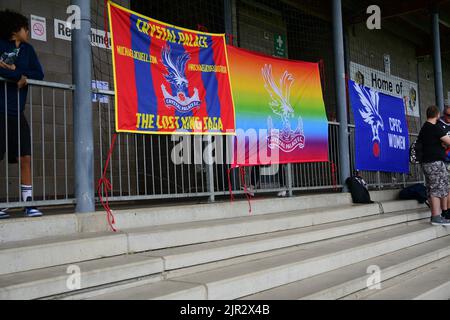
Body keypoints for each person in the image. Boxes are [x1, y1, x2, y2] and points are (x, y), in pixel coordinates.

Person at [0, 9, 44, 219]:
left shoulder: (28, 49)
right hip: (0, 110)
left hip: (18, 111)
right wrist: (17, 73)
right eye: (26, 28)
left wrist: (21, 74)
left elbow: (39, 73)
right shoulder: (1, 45)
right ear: (16, 29)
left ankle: (28, 203)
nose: (28, 31)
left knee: (25, 156)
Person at [418, 105, 450, 226]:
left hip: (427, 162)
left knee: (433, 188)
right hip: (435, 163)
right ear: (437, 115)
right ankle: (436, 216)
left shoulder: (424, 128)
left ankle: (437, 215)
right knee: (437, 189)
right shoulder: (434, 128)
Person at [436, 105, 450, 219]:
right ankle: (445, 210)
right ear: (444, 114)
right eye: (448, 115)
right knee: (445, 186)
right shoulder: (439, 124)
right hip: (443, 159)